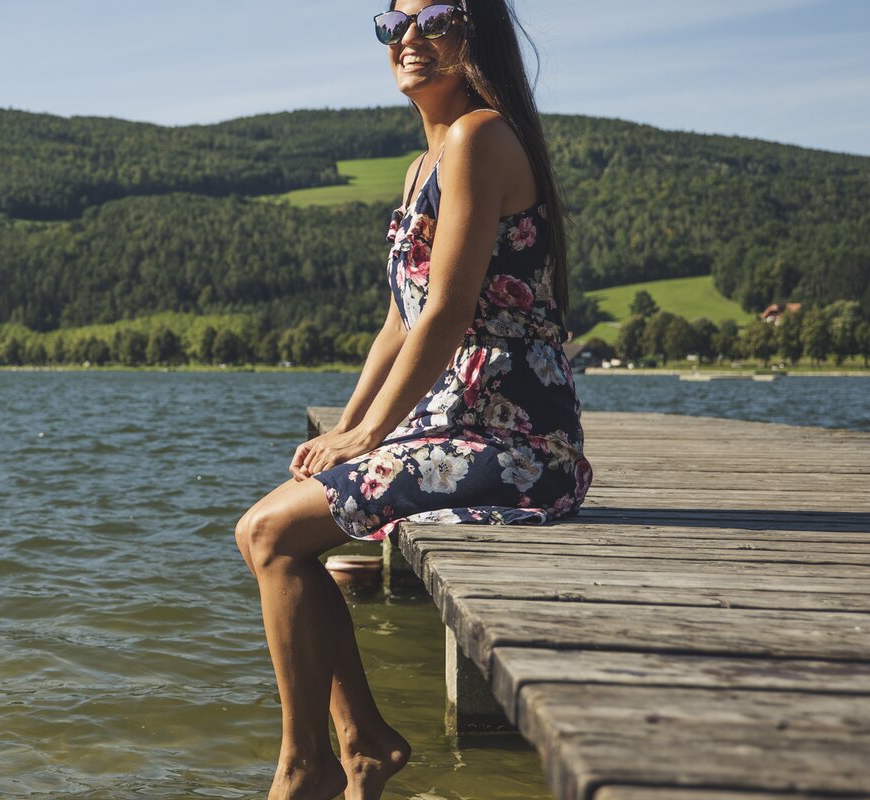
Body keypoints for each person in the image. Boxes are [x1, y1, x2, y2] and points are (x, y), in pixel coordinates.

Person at [233, 2, 590, 798]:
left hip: (515, 440)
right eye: (391, 24)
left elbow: (448, 316)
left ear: (478, 30)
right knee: (273, 538)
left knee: (268, 532)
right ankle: (359, 744)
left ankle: (311, 764)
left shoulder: (478, 138)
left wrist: (367, 437)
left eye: (434, 17)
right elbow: (400, 317)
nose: (409, 39)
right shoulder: (425, 162)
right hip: (453, 420)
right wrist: (355, 422)